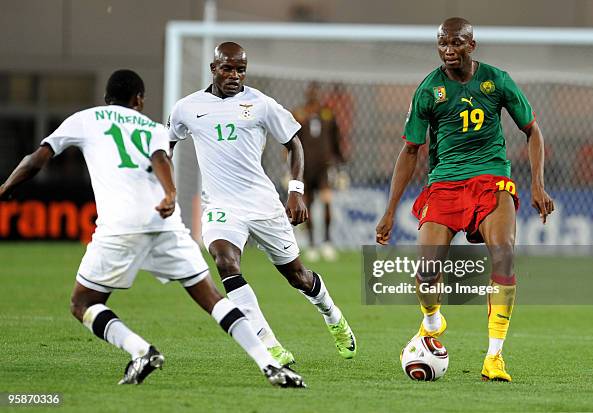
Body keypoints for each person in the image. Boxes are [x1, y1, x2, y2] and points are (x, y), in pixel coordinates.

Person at [0, 69, 304, 388]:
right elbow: (161, 159)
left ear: (107, 98)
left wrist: (5, 187)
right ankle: (270, 365)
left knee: (83, 303)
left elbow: (37, 160)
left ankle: (140, 351)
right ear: (139, 100)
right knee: (213, 298)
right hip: (165, 222)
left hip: (120, 225)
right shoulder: (152, 127)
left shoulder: (84, 119)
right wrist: (170, 195)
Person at [375, 18, 554, 382]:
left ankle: (494, 357)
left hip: (492, 178)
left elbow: (532, 130)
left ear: (471, 45)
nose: (447, 50)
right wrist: (390, 210)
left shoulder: (496, 80)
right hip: (445, 184)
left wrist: (537, 184)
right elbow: (410, 150)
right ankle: (432, 320)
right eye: (442, 43)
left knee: (503, 252)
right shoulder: (429, 89)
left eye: (455, 43)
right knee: (426, 271)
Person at [168, 42, 356, 366]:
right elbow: (165, 145)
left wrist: (295, 191)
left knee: (297, 276)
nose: (235, 75)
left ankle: (332, 314)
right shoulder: (187, 108)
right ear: (214, 68)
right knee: (225, 262)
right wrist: (162, 187)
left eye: (241, 69)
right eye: (228, 68)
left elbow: (294, 144)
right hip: (221, 205)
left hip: (262, 203)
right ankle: (269, 344)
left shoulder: (260, 104)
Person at [293, 82, 345, 261]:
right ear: (306, 94)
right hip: (304, 167)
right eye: (311, 92)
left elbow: (336, 140)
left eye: (316, 92)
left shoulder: (328, 114)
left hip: (324, 167)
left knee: (326, 200)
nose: (313, 96)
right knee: (306, 203)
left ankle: (328, 242)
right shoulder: (299, 114)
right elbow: (290, 142)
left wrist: (340, 164)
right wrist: (288, 167)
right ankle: (312, 244)